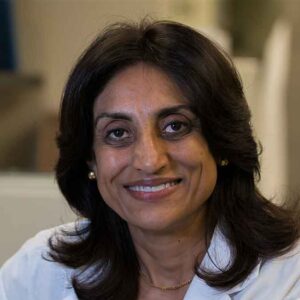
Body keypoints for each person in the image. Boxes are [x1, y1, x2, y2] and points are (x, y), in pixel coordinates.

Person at [1, 19, 300, 300]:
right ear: (90, 159)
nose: (149, 160)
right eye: (117, 133)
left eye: (175, 126)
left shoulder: (289, 278)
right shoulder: (37, 272)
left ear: (222, 143)